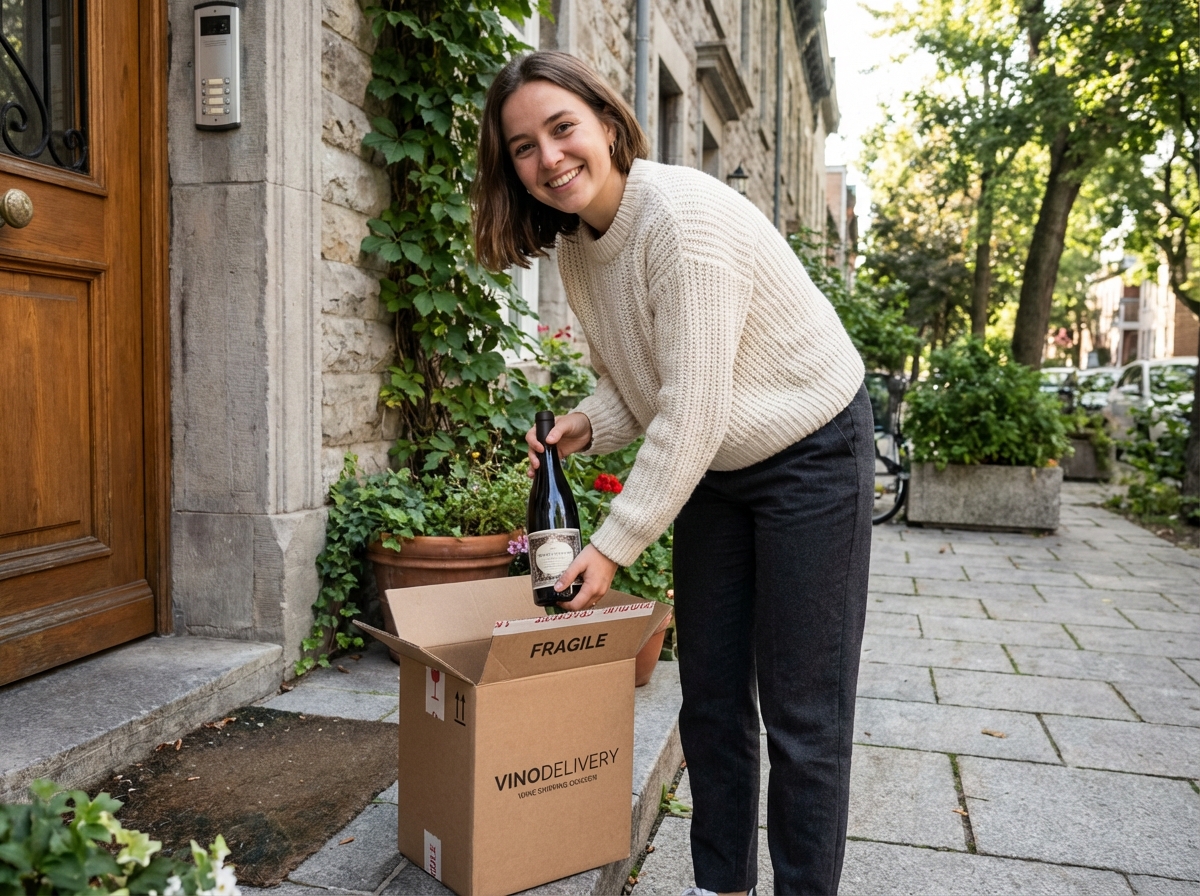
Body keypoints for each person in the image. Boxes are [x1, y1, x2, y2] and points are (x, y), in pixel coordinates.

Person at [472, 50, 872, 896]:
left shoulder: (682, 223)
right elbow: (647, 386)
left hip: (811, 446)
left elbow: (692, 407)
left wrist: (611, 550)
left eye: (562, 128)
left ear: (610, 126)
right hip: (719, 463)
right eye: (522, 147)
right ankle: (718, 886)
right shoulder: (578, 247)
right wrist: (586, 424)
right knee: (712, 698)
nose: (548, 158)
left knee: (805, 713)